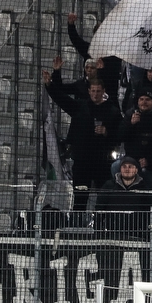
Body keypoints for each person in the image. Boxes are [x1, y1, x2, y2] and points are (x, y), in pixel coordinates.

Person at [43, 70, 122, 207]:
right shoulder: (80, 106)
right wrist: (49, 84)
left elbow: (121, 136)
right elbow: (61, 99)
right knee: (79, 197)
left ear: (104, 91)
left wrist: (106, 132)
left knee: (103, 197)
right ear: (89, 91)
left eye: (98, 91)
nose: (95, 94)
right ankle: (77, 226)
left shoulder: (113, 112)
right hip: (81, 161)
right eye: (93, 91)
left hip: (102, 162)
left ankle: (102, 225)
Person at [95, 157, 152, 232]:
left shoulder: (144, 188)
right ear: (120, 169)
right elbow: (99, 209)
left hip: (137, 236)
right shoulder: (109, 186)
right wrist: (98, 232)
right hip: (111, 234)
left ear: (136, 170)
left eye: (130, 167)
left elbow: (149, 213)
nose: (127, 169)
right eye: (124, 167)